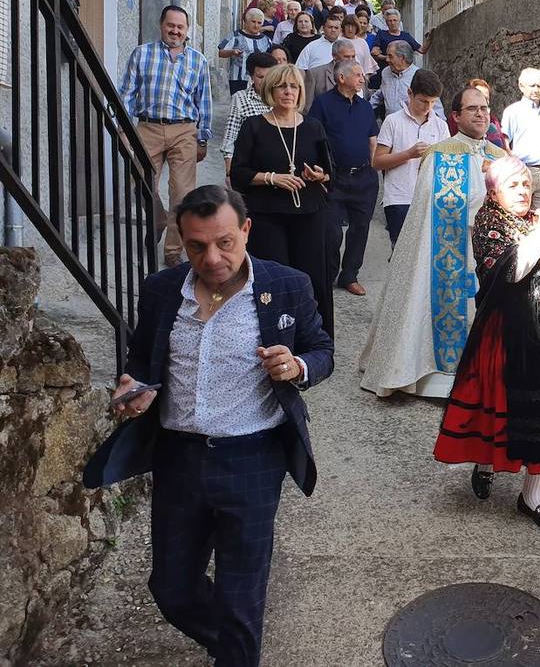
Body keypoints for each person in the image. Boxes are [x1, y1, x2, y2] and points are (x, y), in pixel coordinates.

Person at [82, 184, 333, 667]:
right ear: (181, 239)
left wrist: (297, 365)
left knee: (242, 596)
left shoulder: (287, 285)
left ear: (246, 230)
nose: (213, 257)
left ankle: (239, 652)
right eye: (197, 246)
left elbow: (323, 351)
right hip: (179, 458)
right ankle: (235, 646)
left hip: (254, 459)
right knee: (171, 588)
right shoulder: (161, 290)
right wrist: (134, 389)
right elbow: (140, 363)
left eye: (224, 242)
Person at [433, 156, 540, 532]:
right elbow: (515, 271)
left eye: (525, 184)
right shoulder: (487, 222)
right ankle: (485, 463)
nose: (523, 191)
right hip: (507, 333)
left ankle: (532, 498)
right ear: (494, 191)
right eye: (513, 186)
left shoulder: (535, 223)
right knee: (498, 407)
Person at [359, 86, 505, 398]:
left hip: (488, 255)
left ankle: (484, 374)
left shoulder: (500, 156)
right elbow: (431, 213)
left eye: (485, 108)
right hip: (449, 251)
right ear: (455, 116)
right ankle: (437, 380)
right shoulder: (441, 155)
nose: (481, 114)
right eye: (472, 109)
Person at [230, 64, 335, 338]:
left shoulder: (313, 127)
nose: (288, 92)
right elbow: (238, 174)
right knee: (272, 279)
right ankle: (270, 336)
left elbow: (329, 172)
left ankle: (313, 339)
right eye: (282, 86)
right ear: (271, 90)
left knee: (312, 277)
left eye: (294, 86)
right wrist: (271, 178)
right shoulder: (254, 126)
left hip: (310, 213)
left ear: (300, 92)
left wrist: (320, 175)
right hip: (267, 215)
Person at [118, 5, 212, 267]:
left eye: (180, 27)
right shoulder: (142, 54)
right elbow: (126, 93)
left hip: (184, 130)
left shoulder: (198, 61)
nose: (175, 31)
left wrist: (202, 137)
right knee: (139, 184)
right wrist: (123, 127)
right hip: (148, 128)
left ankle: (173, 250)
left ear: (186, 30)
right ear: (161, 25)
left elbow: (204, 101)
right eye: (171, 25)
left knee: (182, 194)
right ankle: (157, 218)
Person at [308, 62, 378, 297]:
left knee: (360, 229)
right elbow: (314, 137)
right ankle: (328, 275)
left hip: (363, 177)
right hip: (333, 178)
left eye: (362, 75)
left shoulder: (365, 107)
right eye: (357, 75)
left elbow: (372, 139)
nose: (362, 79)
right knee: (332, 231)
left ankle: (350, 275)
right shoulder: (323, 104)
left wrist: (373, 168)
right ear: (341, 78)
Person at [373, 68, 450, 247]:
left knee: (428, 255)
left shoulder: (440, 126)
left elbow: (446, 164)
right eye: (423, 101)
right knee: (401, 254)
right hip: (400, 199)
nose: (427, 107)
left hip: (432, 199)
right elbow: (377, 162)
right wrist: (408, 154)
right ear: (410, 93)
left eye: (432, 102)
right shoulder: (393, 121)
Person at [501, 67, 540, 211]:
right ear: (522, 86)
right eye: (532, 85)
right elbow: (505, 144)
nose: (536, 90)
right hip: (523, 171)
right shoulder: (512, 111)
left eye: (539, 86)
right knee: (517, 215)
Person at [220, 52, 273, 179]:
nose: (265, 81)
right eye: (260, 77)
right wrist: (229, 172)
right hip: (249, 166)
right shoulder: (240, 98)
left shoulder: (281, 98)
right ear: (251, 76)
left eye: (269, 76)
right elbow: (230, 135)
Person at [369, 40, 444, 119]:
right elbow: (382, 92)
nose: (387, 59)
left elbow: (435, 105)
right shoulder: (385, 73)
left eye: (390, 56)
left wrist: (441, 127)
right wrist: (366, 107)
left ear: (402, 58)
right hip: (391, 125)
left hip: (412, 126)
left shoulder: (419, 76)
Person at [218, 7, 273, 96]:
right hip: (238, 78)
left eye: (259, 23)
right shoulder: (235, 36)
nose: (256, 25)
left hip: (261, 79)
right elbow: (220, 52)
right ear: (246, 21)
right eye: (253, 22)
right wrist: (232, 52)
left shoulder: (266, 40)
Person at [446, 77, 508, 151]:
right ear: (456, 116)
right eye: (472, 108)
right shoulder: (454, 121)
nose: (479, 114)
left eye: (486, 98)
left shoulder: (493, 120)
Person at [301, 38, 356, 114]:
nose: (351, 60)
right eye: (346, 57)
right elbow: (307, 107)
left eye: (353, 57)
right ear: (334, 56)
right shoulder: (314, 73)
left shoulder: (359, 74)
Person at [339, 7, 374, 77]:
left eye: (353, 26)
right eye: (347, 26)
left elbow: (368, 66)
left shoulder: (362, 42)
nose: (350, 29)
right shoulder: (338, 41)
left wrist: (364, 81)